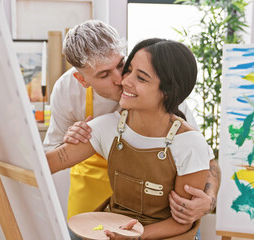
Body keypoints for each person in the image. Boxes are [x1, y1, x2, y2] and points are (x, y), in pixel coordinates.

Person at [43, 20, 220, 236]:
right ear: (82, 79)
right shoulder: (85, 107)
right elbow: (47, 160)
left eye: (121, 65)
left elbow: (204, 160)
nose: (122, 80)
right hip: (96, 207)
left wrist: (208, 200)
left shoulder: (167, 94)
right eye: (104, 75)